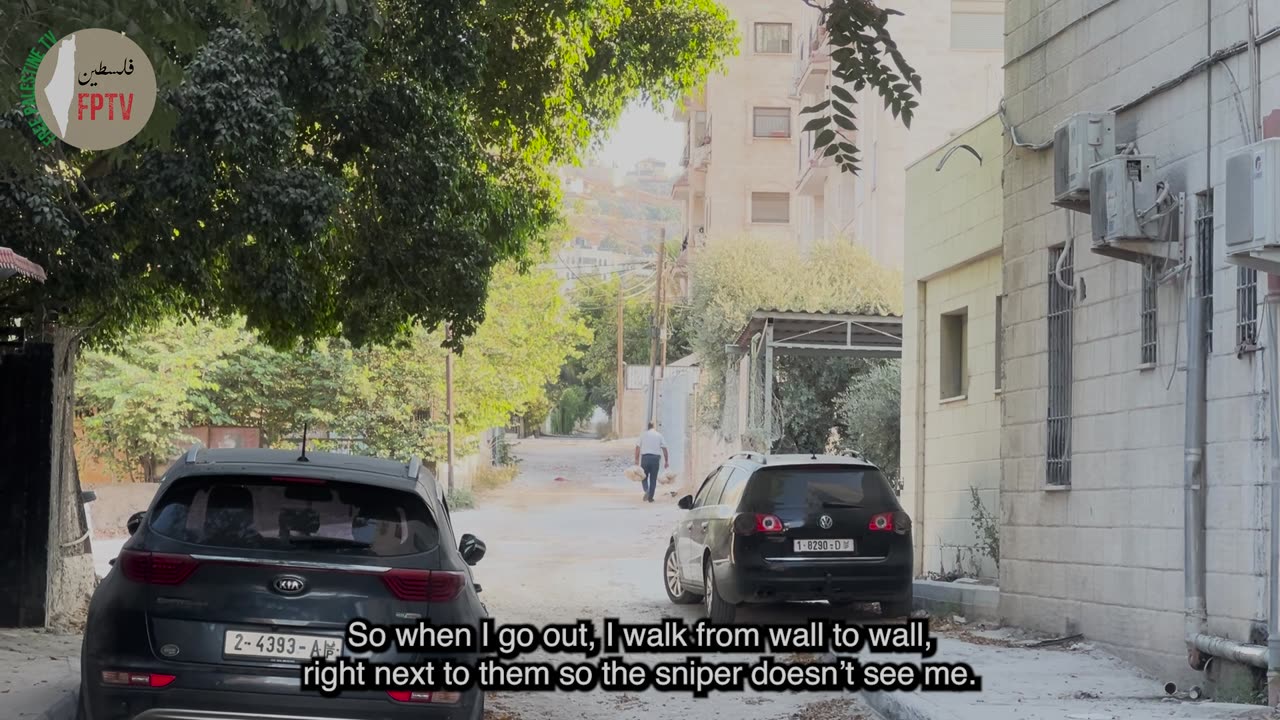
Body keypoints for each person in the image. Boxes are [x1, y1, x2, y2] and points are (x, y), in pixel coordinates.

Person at [634, 422, 668, 503]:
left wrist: (636, 460)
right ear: (654, 427)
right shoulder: (659, 435)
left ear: (648, 427)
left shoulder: (643, 435)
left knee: (644, 477)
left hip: (645, 458)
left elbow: (637, 448)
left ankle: (646, 490)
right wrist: (666, 461)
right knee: (653, 479)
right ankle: (650, 498)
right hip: (655, 459)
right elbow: (664, 448)